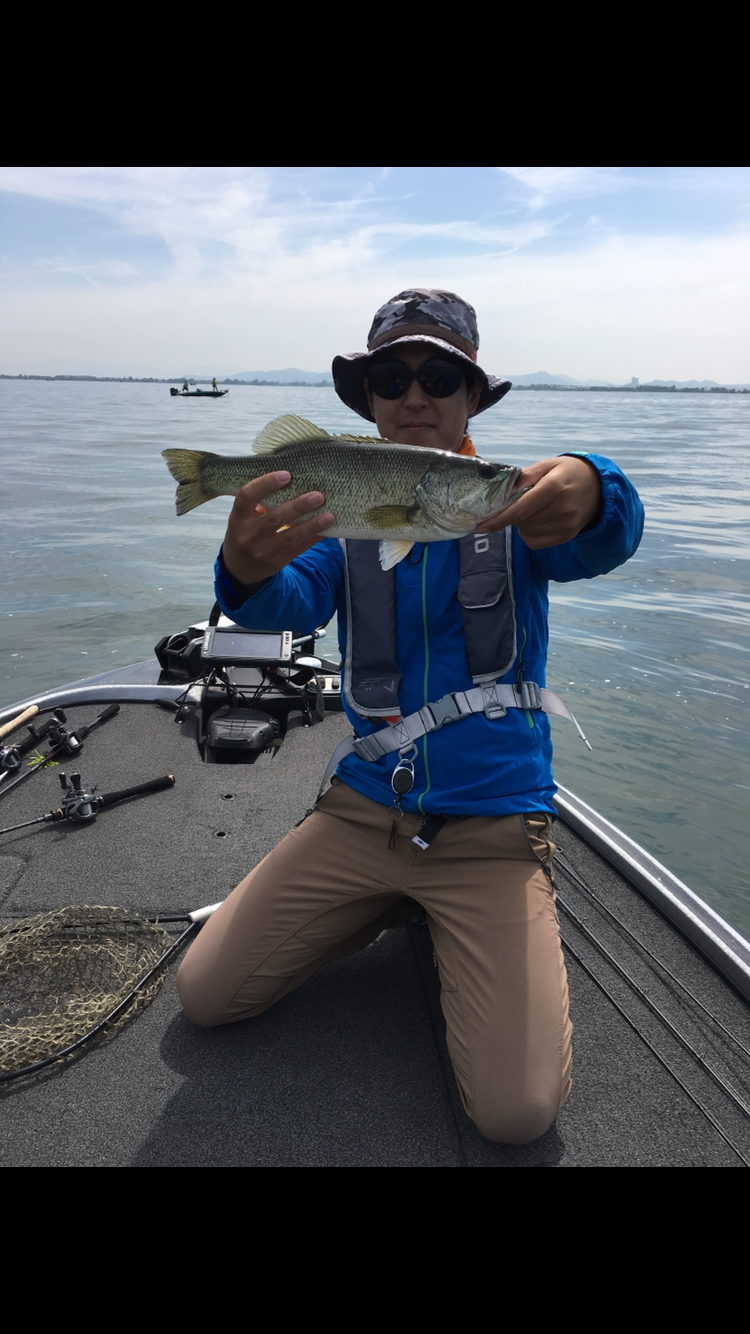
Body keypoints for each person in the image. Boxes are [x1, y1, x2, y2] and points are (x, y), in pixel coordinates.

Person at [176, 289, 644, 1144]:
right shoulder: (344, 516)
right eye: (391, 378)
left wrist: (593, 481)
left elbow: (603, 537)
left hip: (491, 827)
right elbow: (285, 600)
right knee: (205, 997)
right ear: (369, 402)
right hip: (365, 810)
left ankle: (436, 908)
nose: (414, 395)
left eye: (440, 376)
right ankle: (390, 902)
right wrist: (240, 575)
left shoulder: (513, 506)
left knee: (514, 1115)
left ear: (474, 396)